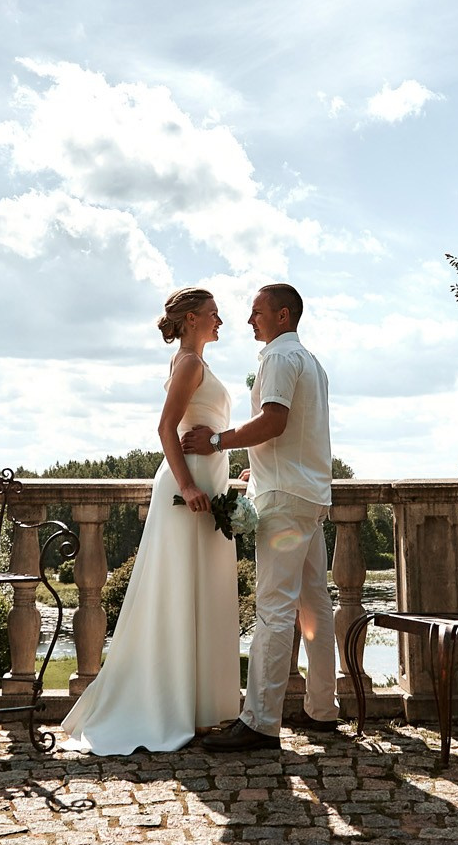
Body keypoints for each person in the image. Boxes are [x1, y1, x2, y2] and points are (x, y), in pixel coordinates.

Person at [58, 287, 242, 754]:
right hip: (190, 491)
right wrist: (188, 486)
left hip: (208, 485)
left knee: (200, 590)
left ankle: (201, 709)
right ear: (192, 319)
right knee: (180, 590)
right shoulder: (189, 364)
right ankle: (176, 707)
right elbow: (166, 428)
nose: (221, 321)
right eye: (214, 314)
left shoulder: (193, 362)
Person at [185, 283, 341, 752]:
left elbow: (275, 421)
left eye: (257, 312)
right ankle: (322, 710)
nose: (250, 320)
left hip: (285, 501)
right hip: (308, 495)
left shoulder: (277, 358)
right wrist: (262, 462)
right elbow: (294, 433)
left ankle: (259, 722)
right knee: (315, 605)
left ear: (282, 315)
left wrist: (216, 442)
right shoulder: (311, 362)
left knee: (274, 609)